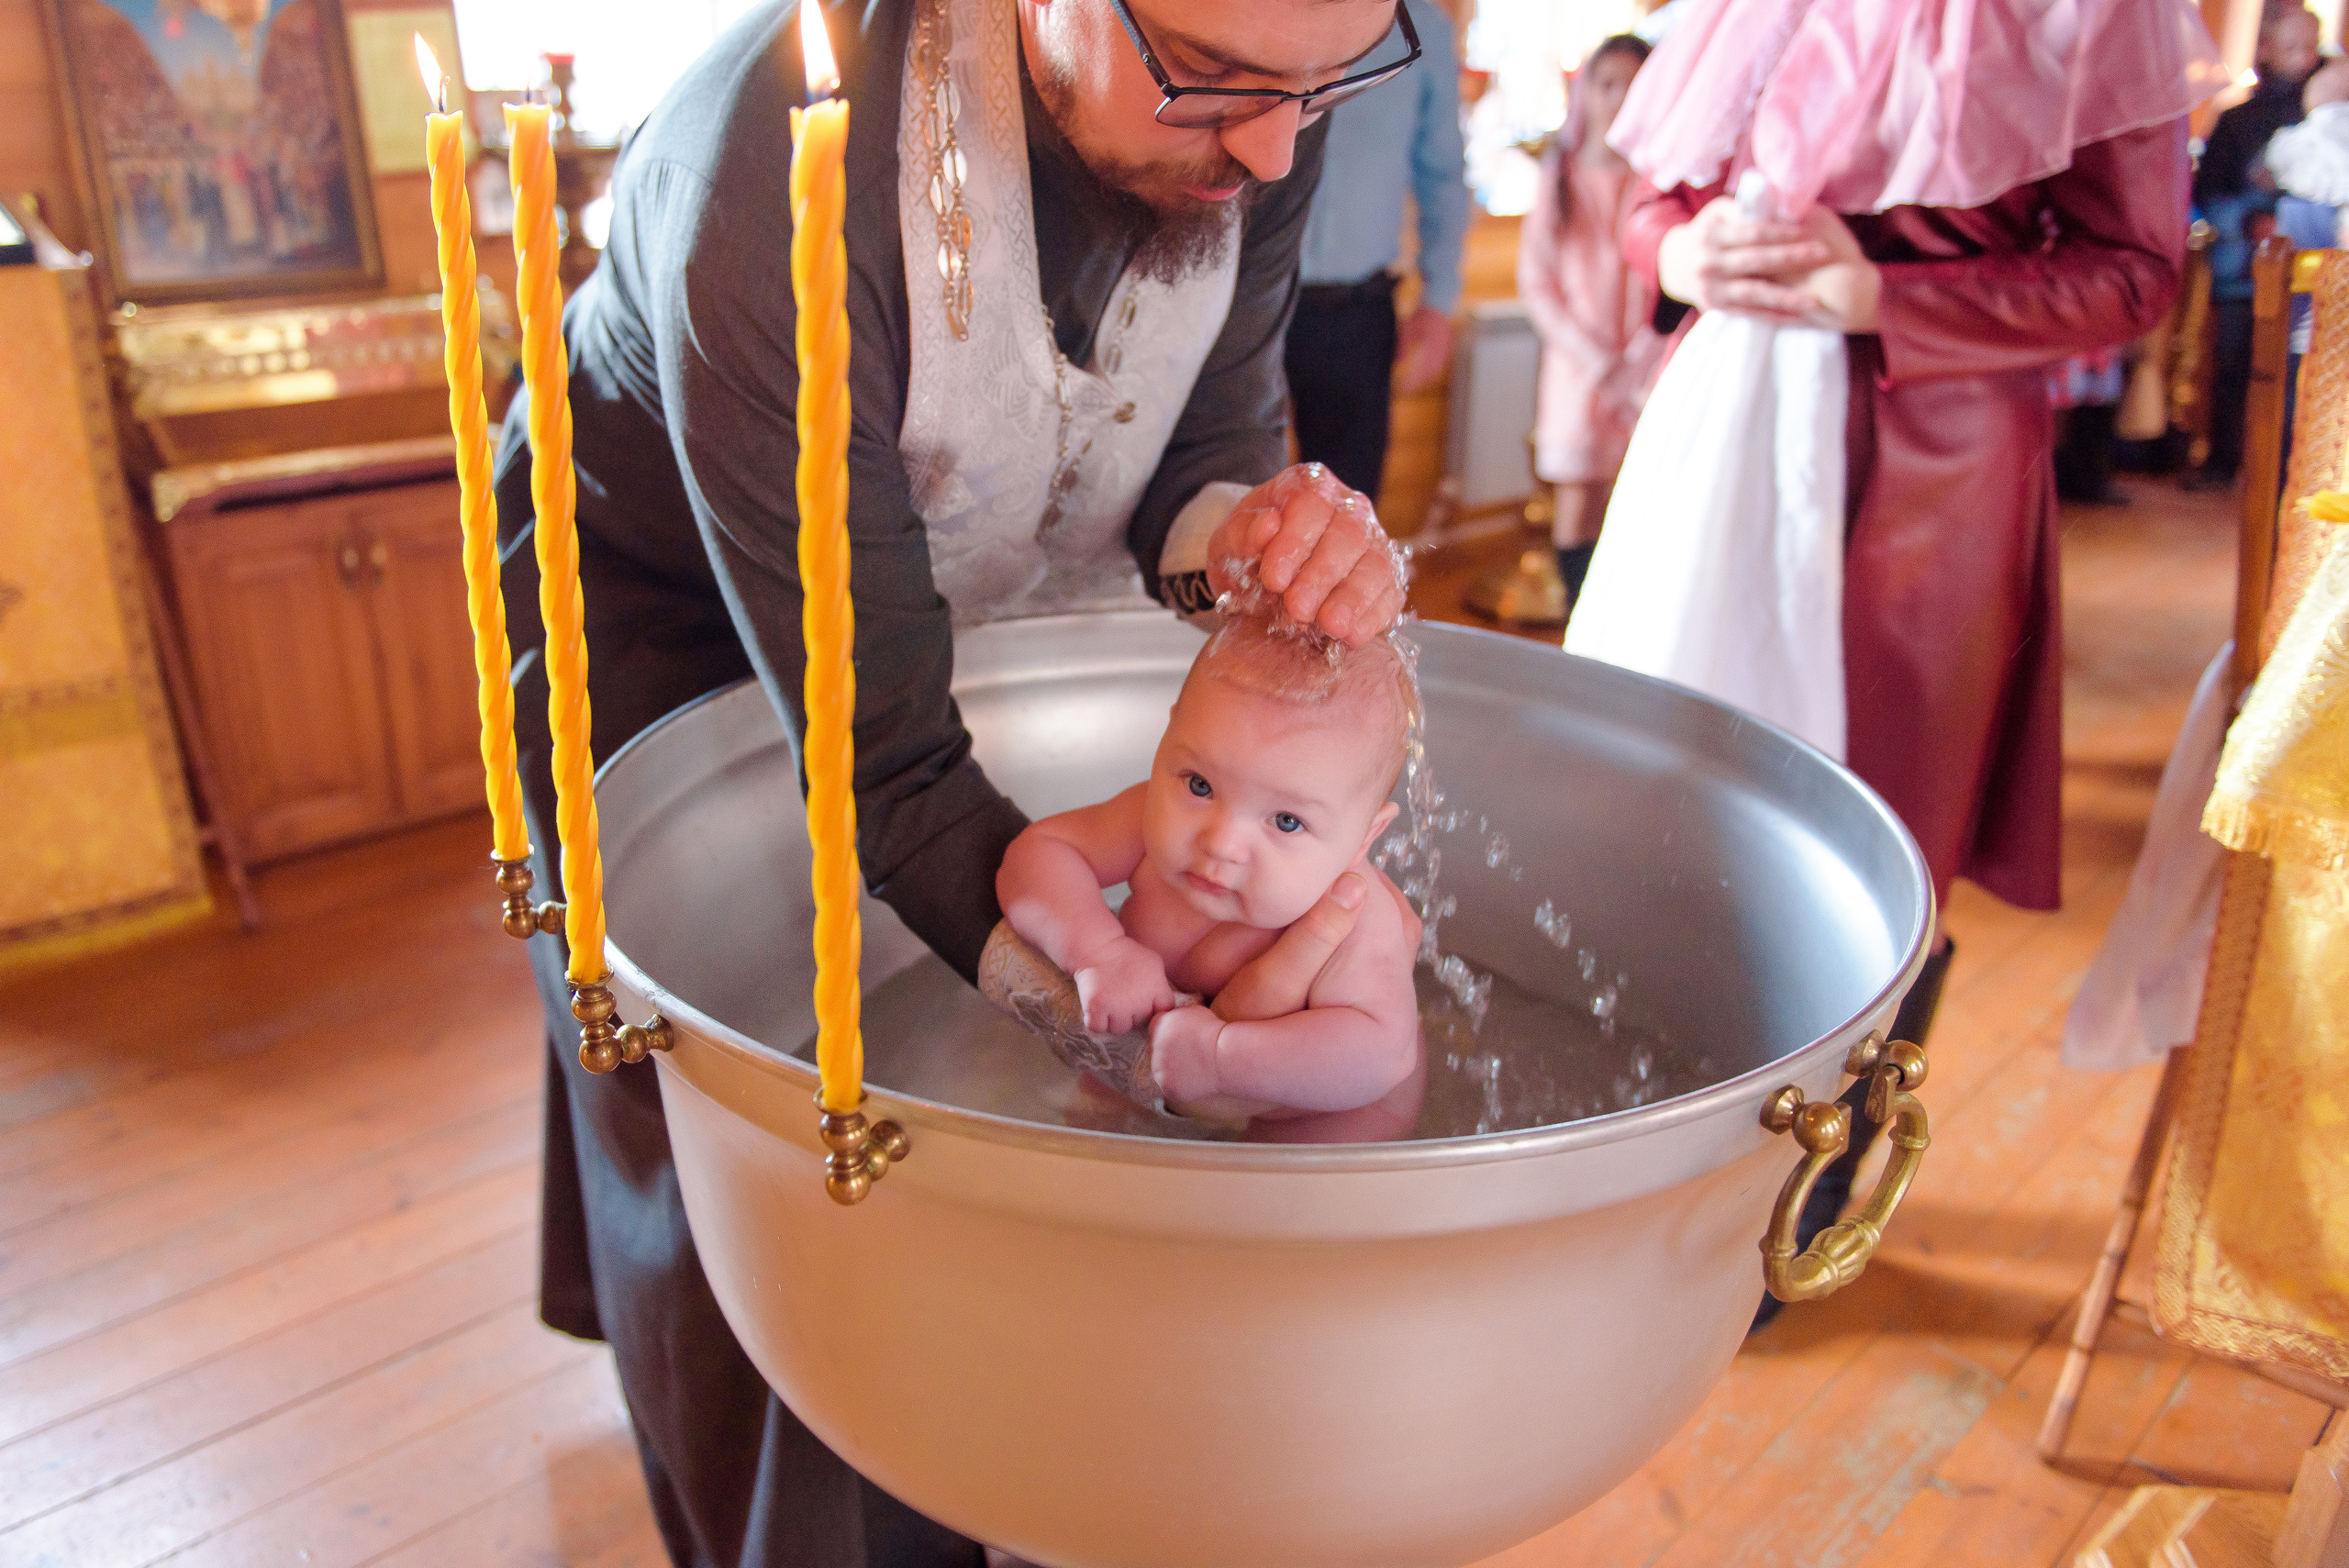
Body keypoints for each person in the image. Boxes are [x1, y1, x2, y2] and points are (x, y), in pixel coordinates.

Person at [488, 1, 1422, 1563]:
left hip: (930, 573)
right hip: (651, 597)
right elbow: (895, 758)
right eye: (1222, 83)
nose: (1272, 149)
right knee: (753, 1111)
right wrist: (1125, 1024)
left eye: (1321, 89)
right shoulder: (770, 164)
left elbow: (1207, 424)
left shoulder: (1260, 82)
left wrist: (1247, 539)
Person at [1596, 0, 2217, 1314]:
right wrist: (1681, 250)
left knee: (1887, 845)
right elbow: (1653, 197)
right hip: (1719, 436)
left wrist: (1888, 294)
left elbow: (2135, 270)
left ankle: (1802, 1215)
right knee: (1659, 801)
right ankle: (1631, 1163)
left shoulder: (2099, 15)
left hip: (1927, 464)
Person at [996, 589, 1420, 1121]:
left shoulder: (1356, 915)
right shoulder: (1144, 821)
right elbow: (1038, 854)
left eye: (1286, 821)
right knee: (1084, 1141)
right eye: (1199, 784)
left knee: (1307, 1187)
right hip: (1151, 1057)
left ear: (1364, 837)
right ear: (1168, 734)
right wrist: (1098, 952)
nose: (1220, 843)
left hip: (1313, 1113)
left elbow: (1382, 1053)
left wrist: (1223, 1060)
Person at [1285, 0, 1467, 496]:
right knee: (1223, 482)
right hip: (1242, 298)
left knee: (1346, 502)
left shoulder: (1424, 27)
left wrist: (1438, 299)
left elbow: (1443, 172)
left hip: (1356, 313)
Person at [1518, 33, 1664, 606]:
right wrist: (1596, 359)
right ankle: (1576, 621)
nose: (1620, 98)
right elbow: (1539, 284)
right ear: (1589, 93)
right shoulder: (1561, 178)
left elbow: (1664, 285)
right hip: (1580, 371)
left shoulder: (1656, 182)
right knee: (1578, 500)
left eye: (1634, 85)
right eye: (1608, 84)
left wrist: (1640, 358)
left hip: (1642, 368)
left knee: (1631, 500)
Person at [2188, 3, 2322, 492]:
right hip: (2240, 265)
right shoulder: (2237, 118)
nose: (2303, 58)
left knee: (2296, 369)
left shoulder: (2327, 115)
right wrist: (2247, 219)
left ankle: (2288, 467)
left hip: (2306, 264)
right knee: (2233, 363)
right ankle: (2223, 459)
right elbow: (2206, 193)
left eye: (2311, 46)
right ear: (2267, 48)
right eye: (2292, 47)